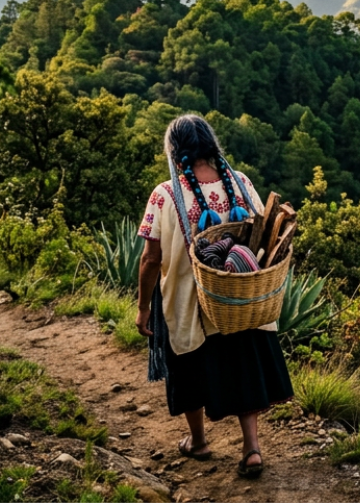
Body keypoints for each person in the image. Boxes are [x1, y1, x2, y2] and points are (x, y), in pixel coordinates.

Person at [135, 114, 293, 479]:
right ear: (212, 145)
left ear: (175, 151)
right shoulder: (239, 183)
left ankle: (198, 441)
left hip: (190, 301)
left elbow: (151, 258)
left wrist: (144, 307)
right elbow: (262, 233)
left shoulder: (165, 194)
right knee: (243, 366)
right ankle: (252, 448)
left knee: (187, 365)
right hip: (238, 298)